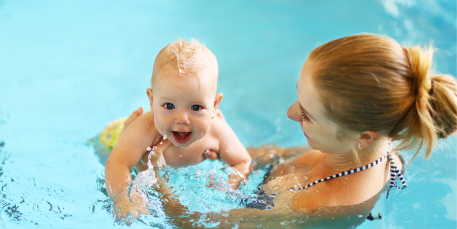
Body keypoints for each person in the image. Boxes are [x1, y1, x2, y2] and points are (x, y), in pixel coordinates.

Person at [125, 33, 457, 227]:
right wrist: (212, 145)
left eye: (308, 115)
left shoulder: (317, 206)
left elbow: (198, 223)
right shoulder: (378, 138)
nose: (290, 112)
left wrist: (146, 168)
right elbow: (277, 155)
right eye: (299, 95)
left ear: (364, 135)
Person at [104, 38, 252, 221]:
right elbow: (117, 163)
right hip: (113, 137)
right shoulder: (146, 128)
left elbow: (243, 161)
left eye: (196, 108)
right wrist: (121, 199)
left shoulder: (217, 131)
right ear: (152, 100)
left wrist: (229, 187)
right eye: (169, 105)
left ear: (214, 105)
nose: (182, 119)